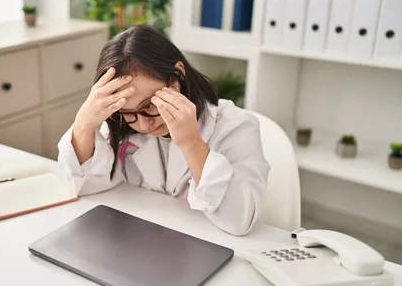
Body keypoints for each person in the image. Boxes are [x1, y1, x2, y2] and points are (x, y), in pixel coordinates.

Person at [55, 24, 270, 236]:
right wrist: (84, 123)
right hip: (144, 244)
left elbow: (241, 220)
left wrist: (191, 143)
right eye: (127, 113)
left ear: (177, 77)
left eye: (149, 105)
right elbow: (83, 186)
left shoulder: (237, 127)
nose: (143, 125)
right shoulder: (123, 124)